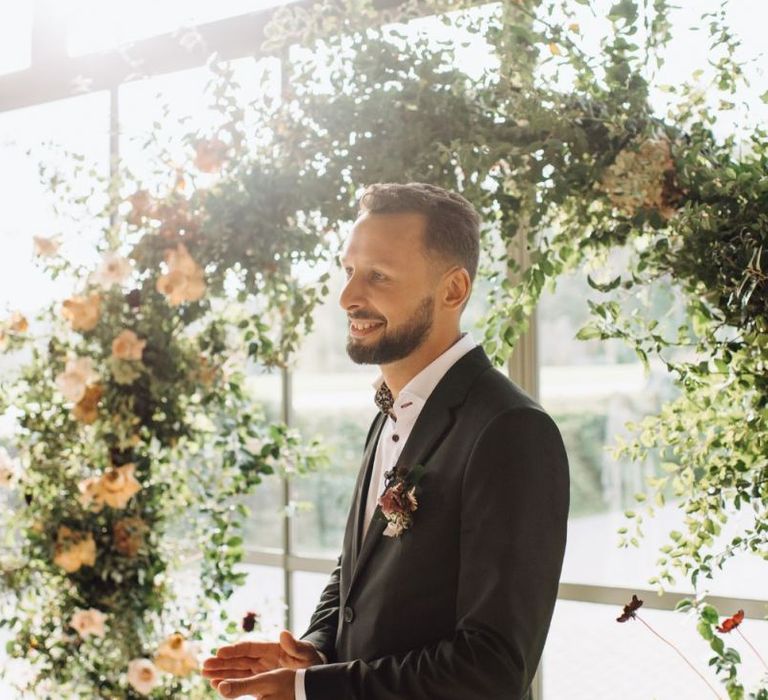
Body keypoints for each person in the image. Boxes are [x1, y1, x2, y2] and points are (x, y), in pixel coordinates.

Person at [202, 182, 570, 699]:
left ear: (453, 291)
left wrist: (312, 691)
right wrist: (316, 650)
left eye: (378, 275)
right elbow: (361, 564)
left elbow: (492, 666)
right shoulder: (393, 407)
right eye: (350, 271)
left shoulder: (511, 430)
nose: (348, 296)